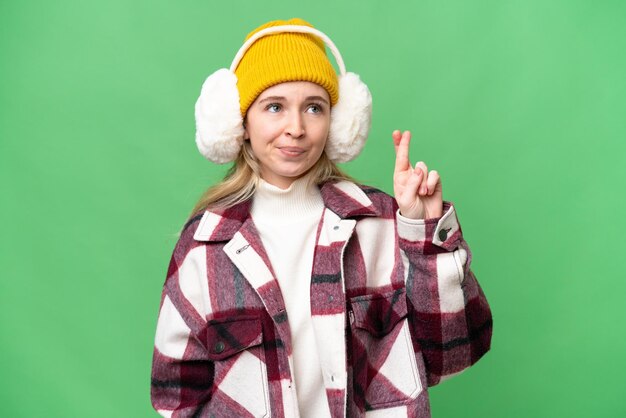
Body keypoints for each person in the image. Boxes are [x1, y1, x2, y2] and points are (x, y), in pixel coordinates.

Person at [150, 18, 492, 418]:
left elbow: (453, 353)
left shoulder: (380, 223)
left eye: (314, 107)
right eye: (274, 107)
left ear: (337, 122)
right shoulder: (205, 245)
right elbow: (175, 395)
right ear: (239, 122)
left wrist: (425, 232)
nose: (295, 128)